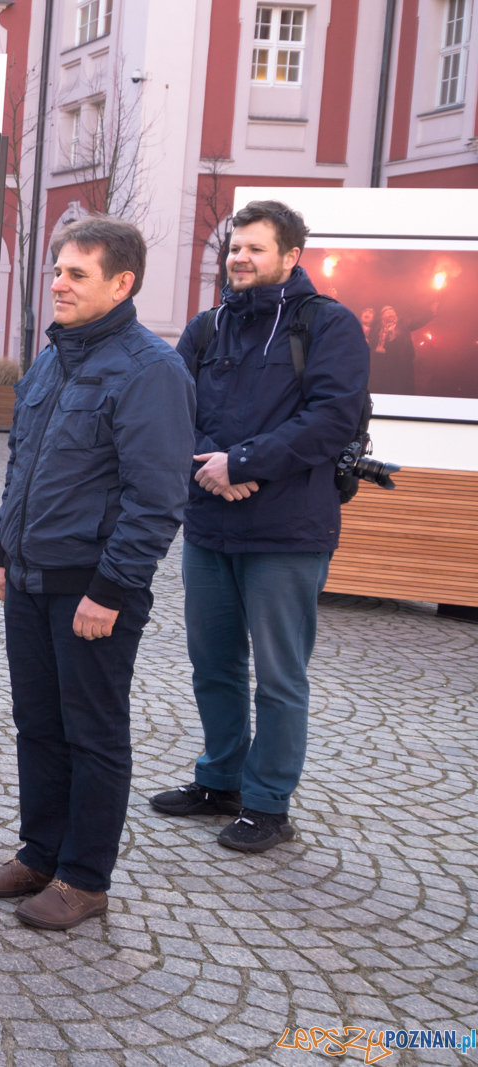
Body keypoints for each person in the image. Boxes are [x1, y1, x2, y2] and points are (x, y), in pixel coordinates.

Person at [0, 216, 194, 930]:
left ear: (122, 283)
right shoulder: (52, 358)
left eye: (76, 273)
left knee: (92, 732)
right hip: (31, 579)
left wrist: (111, 589)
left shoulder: (152, 370)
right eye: (57, 270)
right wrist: (5, 553)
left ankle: (84, 877)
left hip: (91, 588)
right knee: (38, 723)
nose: (57, 283)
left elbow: (155, 498)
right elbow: (22, 463)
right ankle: (40, 853)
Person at [151, 200, 370, 853]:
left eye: (254, 247)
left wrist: (241, 462)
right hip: (210, 524)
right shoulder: (208, 326)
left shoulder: (328, 326)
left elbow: (332, 420)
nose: (239, 258)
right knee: (213, 664)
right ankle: (220, 782)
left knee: (279, 675)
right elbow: (171, 406)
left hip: (287, 530)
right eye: (234, 247)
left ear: (290, 255)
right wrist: (210, 465)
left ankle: (269, 803)